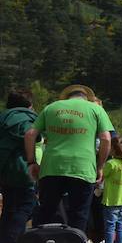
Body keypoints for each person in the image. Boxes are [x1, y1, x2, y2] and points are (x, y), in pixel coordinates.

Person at [24, 84, 113, 233]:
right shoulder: (96, 109)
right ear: (87, 98)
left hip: (51, 167)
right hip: (83, 167)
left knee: (47, 212)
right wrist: (100, 166)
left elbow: (30, 134)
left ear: (66, 97)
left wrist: (31, 162)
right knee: (79, 214)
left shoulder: (51, 107)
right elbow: (106, 139)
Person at [0, 88, 39, 243]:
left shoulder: (2, 117)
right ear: (29, 104)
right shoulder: (28, 118)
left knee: (9, 208)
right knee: (27, 205)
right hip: (22, 167)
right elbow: (34, 137)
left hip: (4, 169)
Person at [96, 137, 122, 243]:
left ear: (113, 149)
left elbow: (101, 176)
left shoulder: (111, 164)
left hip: (111, 200)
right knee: (120, 226)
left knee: (110, 226)